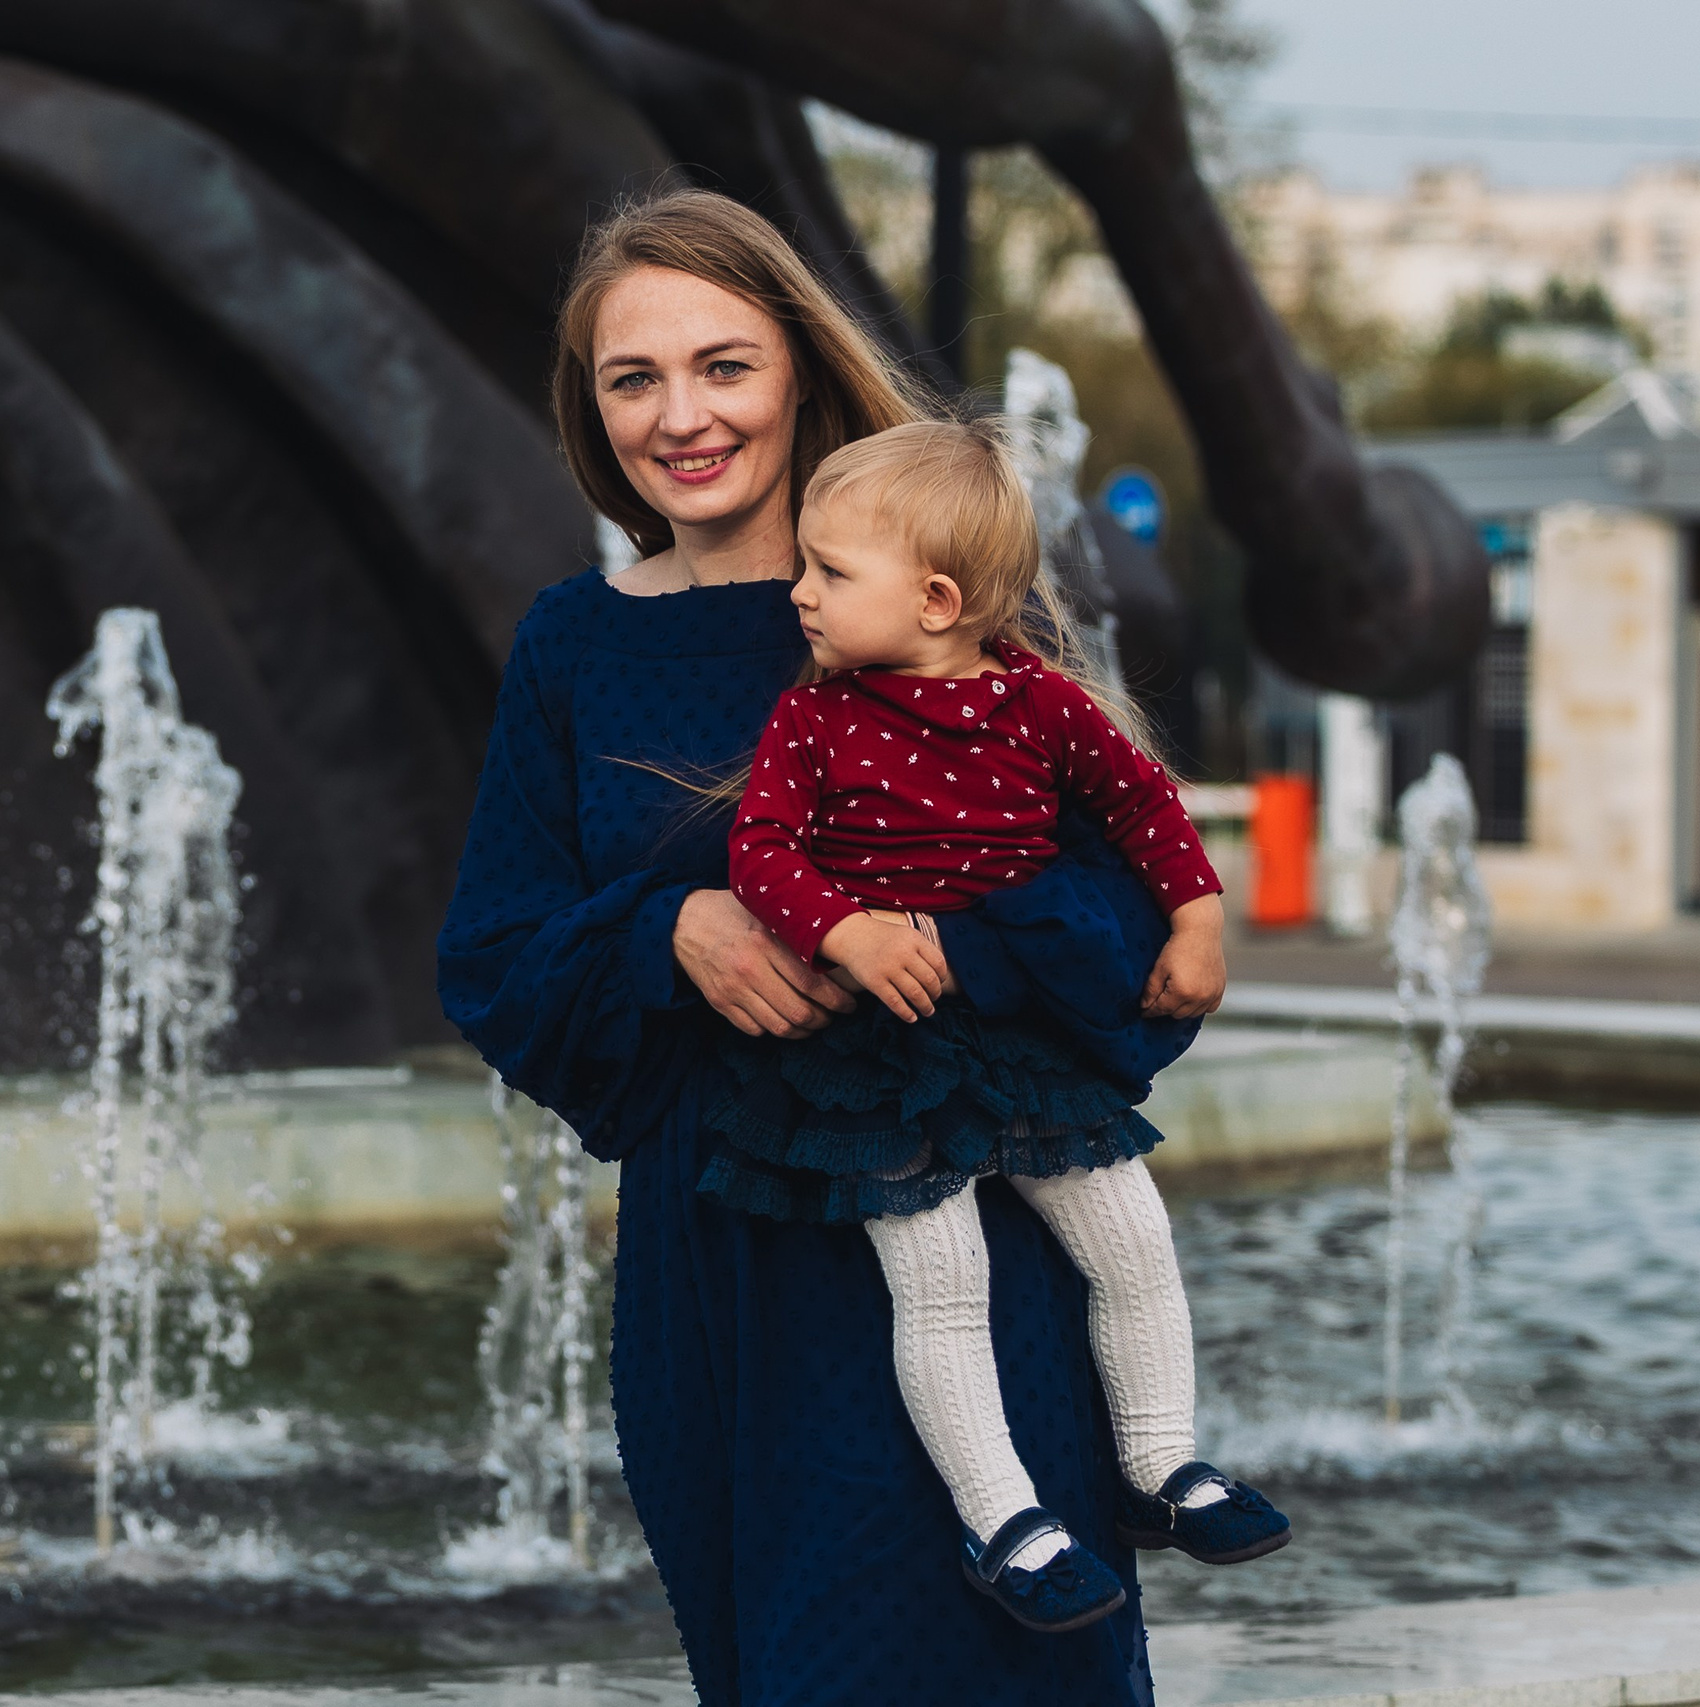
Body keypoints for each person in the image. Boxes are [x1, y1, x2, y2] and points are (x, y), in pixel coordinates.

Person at [439, 189, 1152, 1706]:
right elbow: (492, 961)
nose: (681, 417)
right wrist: (667, 925)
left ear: (799, 371)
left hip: (972, 1243)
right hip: (724, 1271)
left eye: (724, 366)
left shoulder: (939, 604)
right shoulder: (574, 642)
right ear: (590, 408)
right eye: (633, 379)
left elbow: (1130, 930)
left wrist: (935, 948)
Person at [711, 419, 1288, 1637]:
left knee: (1132, 1238)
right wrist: (842, 930)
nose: (799, 592)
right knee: (941, 1282)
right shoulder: (813, 721)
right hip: (881, 1050)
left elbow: (1146, 809)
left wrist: (1196, 922)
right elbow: (756, 849)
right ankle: (1005, 1518)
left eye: (829, 572)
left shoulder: (1041, 705)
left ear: (933, 599)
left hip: (1024, 1035)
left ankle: (1162, 1465)